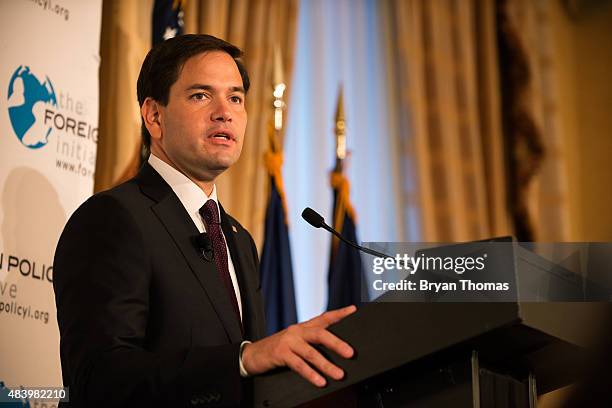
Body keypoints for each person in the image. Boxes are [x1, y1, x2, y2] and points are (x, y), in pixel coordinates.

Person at [53, 34, 356, 408]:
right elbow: (97, 379)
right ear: (154, 116)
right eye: (200, 95)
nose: (224, 112)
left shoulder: (239, 240)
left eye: (235, 98)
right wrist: (243, 359)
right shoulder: (112, 219)